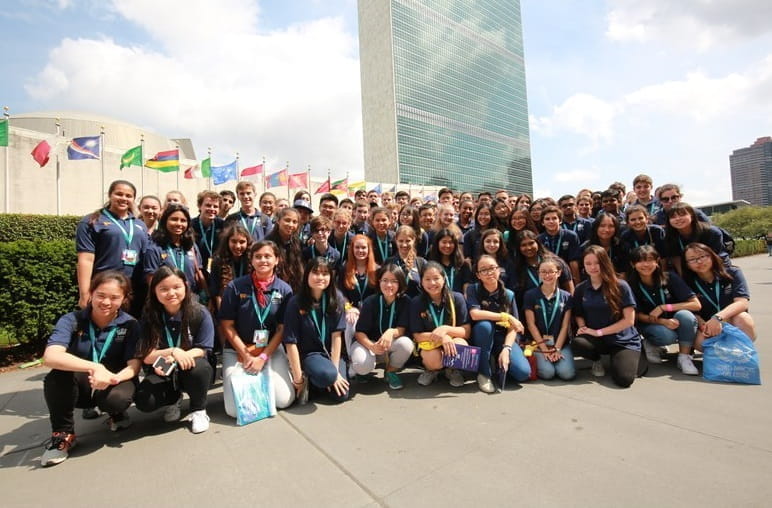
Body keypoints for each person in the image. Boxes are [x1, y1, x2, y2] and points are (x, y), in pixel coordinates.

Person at [41, 271, 141, 467]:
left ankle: (116, 414)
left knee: (117, 399)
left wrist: (113, 379)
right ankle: (64, 435)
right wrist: (95, 367)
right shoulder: (72, 320)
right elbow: (51, 356)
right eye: (101, 295)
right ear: (91, 294)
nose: (106, 302)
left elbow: (134, 366)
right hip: (82, 382)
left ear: (124, 299)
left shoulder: (130, 324)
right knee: (56, 378)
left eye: (114, 297)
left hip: (114, 380)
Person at [219, 241, 296, 414]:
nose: (263, 260)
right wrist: (246, 355)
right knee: (234, 410)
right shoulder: (235, 287)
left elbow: (282, 329)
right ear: (251, 260)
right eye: (258, 256)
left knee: (284, 400)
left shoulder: (284, 290)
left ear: (277, 260)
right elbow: (227, 324)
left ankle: (272, 374)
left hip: (270, 350)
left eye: (268, 256)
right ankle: (256, 377)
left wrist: (262, 357)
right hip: (238, 350)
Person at [134, 267, 214, 433]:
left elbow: (203, 348)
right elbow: (146, 355)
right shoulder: (150, 316)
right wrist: (171, 351)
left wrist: (179, 356)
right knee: (144, 400)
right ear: (154, 290)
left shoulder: (199, 312)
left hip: (189, 365)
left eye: (176, 287)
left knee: (200, 369)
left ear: (185, 286)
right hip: (163, 368)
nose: (171, 293)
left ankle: (198, 410)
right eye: (163, 289)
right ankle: (173, 399)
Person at [571, 245, 645, 388]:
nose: (593, 267)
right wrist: (582, 327)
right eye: (588, 263)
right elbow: (578, 314)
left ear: (605, 263)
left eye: (597, 263)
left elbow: (629, 321)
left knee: (624, 379)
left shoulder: (621, 286)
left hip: (622, 339)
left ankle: (637, 353)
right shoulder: (581, 288)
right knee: (578, 343)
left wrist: (599, 332)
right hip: (597, 339)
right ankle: (597, 360)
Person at [284, 257, 350, 403]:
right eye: (315, 272)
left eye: (325, 273)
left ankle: (319, 381)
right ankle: (313, 376)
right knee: (326, 376)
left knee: (341, 396)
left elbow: (336, 336)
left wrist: (336, 371)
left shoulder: (337, 298)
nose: (320, 277)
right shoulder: (295, 302)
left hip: (332, 354)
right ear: (307, 274)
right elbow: (290, 342)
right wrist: (298, 379)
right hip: (310, 354)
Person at [76, 180, 148, 313]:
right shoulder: (92, 221)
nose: (124, 198)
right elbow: (86, 259)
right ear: (110, 195)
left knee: (131, 330)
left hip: (134, 291)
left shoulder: (140, 224)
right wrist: (84, 293)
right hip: (105, 289)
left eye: (128, 196)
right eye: (119, 194)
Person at [627, 246, 701, 374]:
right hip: (652, 324)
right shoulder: (631, 285)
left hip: (677, 320)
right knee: (667, 335)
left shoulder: (670, 277)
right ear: (633, 264)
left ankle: (684, 357)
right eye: (640, 261)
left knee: (686, 316)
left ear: (657, 261)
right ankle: (650, 343)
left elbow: (695, 305)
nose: (646, 264)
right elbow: (636, 315)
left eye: (650, 260)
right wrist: (663, 322)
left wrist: (664, 307)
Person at [466, 255, 528, 393]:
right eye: (483, 270)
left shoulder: (508, 294)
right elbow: (475, 314)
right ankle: (484, 374)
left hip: (501, 338)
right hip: (481, 336)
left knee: (523, 373)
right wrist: (505, 316)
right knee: (485, 326)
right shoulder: (473, 289)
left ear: (499, 270)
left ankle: (496, 359)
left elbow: (514, 327)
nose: (489, 272)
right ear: (478, 275)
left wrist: (506, 349)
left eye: (492, 268)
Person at [352, 264, 415, 389]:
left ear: (400, 283)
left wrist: (391, 332)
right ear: (379, 281)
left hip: (390, 345)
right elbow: (359, 333)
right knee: (361, 364)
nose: (389, 285)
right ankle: (364, 371)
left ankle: (390, 371)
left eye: (394, 281)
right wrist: (371, 346)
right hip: (369, 345)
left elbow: (402, 329)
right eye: (385, 280)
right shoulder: (370, 301)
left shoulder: (406, 301)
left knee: (406, 344)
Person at [682, 243, 756, 350]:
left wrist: (718, 318)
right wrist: (702, 323)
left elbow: (742, 302)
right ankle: (721, 357)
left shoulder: (732, 273)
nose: (699, 262)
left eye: (703, 256)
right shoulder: (687, 282)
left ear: (712, 256)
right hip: (706, 325)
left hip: (730, 320)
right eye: (692, 259)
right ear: (687, 264)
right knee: (699, 342)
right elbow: (690, 309)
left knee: (743, 318)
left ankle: (741, 353)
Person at [409, 261, 471, 388]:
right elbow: (418, 336)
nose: (432, 283)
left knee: (461, 344)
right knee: (432, 357)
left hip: (453, 343)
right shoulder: (416, 302)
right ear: (421, 282)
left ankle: (453, 370)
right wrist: (442, 337)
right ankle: (432, 370)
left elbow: (466, 331)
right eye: (427, 279)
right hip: (431, 345)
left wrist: (446, 329)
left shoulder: (457, 298)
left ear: (444, 279)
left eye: (436, 278)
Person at [523, 256, 576, 381]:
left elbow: (565, 326)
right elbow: (531, 325)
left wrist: (557, 348)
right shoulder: (530, 295)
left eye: (551, 272)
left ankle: (557, 360)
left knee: (567, 374)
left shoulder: (566, 297)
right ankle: (546, 360)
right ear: (539, 274)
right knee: (548, 373)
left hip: (560, 343)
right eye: (543, 272)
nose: (547, 275)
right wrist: (545, 350)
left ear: (558, 273)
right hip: (539, 343)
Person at [144, 204, 207, 297]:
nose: (179, 224)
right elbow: (151, 280)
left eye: (183, 220)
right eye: (174, 219)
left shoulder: (191, 246)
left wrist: (207, 295)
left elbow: (198, 273)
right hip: (168, 300)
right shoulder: (154, 248)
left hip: (191, 299)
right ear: (165, 221)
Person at [339, 234, 378, 362]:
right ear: (352, 249)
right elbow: (340, 293)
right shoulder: (345, 268)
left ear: (369, 249)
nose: (360, 251)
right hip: (352, 310)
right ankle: (351, 358)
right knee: (350, 320)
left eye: (363, 248)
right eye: (357, 247)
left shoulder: (377, 270)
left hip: (371, 310)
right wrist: (349, 308)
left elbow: (379, 294)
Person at [664, 202, 728, 275]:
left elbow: (716, 256)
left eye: (682, 215)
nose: (678, 219)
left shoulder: (711, 232)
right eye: (673, 217)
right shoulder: (670, 237)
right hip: (691, 270)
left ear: (692, 216)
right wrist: (684, 279)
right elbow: (676, 259)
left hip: (718, 267)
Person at [208, 224, 253, 312]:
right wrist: (223, 315)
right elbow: (217, 293)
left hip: (247, 307)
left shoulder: (252, 260)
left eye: (242, 242)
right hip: (226, 306)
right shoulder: (218, 261)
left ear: (248, 243)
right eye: (233, 241)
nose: (237, 246)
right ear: (227, 242)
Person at [538, 205, 581, 282]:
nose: (551, 221)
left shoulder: (571, 236)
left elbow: (573, 262)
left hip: (567, 276)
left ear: (560, 220)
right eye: (547, 219)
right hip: (548, 276)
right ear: (542, 223)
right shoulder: (539, 239)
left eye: (554, 218)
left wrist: (576, 282)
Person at [265, 208, 304, 292]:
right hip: (272, 287)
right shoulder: (268, 243)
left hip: (294, 287)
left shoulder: (299, 243)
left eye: (294, 222)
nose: (291, 225)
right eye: (287, 220)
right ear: (278, 221)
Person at [428, 228, 473, 294]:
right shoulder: (430, 264)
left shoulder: (463, 264)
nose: (447, 245)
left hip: (458, 301)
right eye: (444, 242)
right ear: (437, 243)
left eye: (451, 242)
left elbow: (466, 287)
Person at [385, 225, 426, 298]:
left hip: (415, 306)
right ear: (396, 241)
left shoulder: (421, 263)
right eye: (401, 241)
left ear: (414, 240)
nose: (404, 245)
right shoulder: (389, 262)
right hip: (395, 305)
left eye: (408, 241)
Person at [190, 190, 224, 276]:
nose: (212, 209)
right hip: (196, 270)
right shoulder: (190, 225)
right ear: (199, 206)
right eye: (208, 205)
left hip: (217, 270)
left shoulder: (223, 225)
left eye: (215, 206)